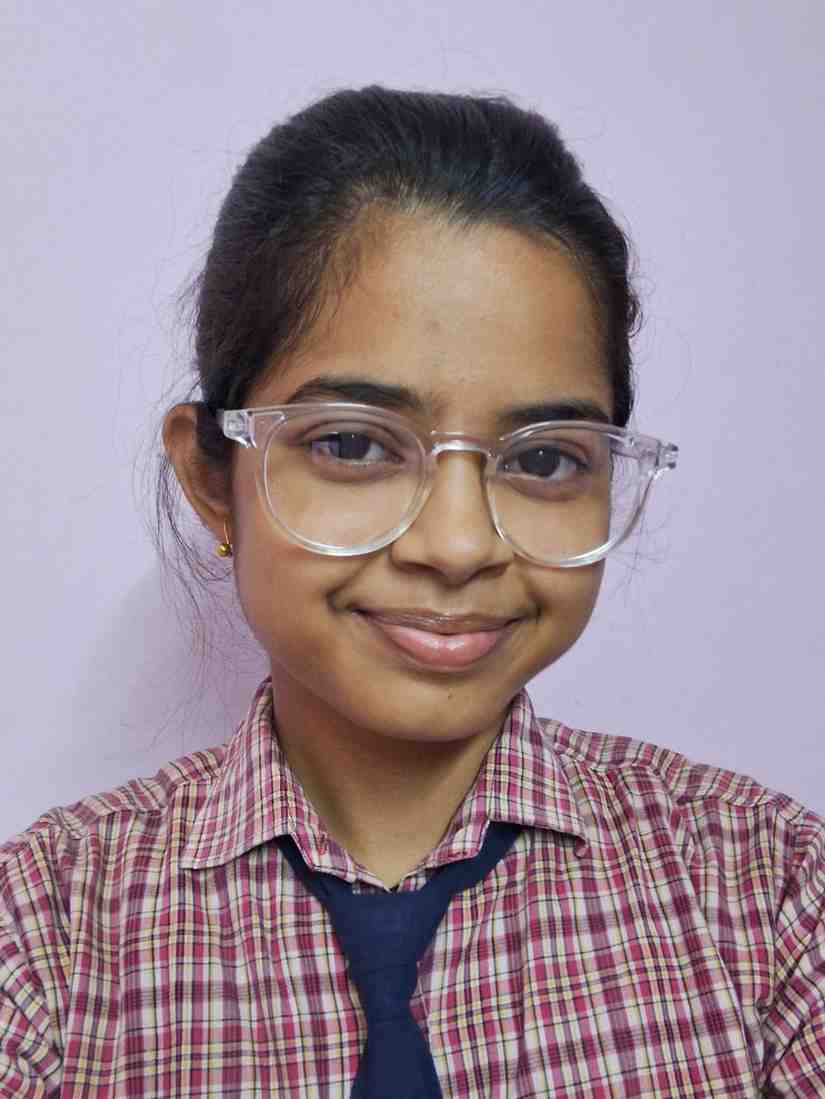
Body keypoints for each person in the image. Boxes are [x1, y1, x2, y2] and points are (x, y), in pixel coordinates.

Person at [1, 86, 822, 1099]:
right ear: (214, 478)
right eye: (353, 444)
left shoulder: (769, 891)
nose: (458, 544)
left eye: (546, 459)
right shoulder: (45, 934)